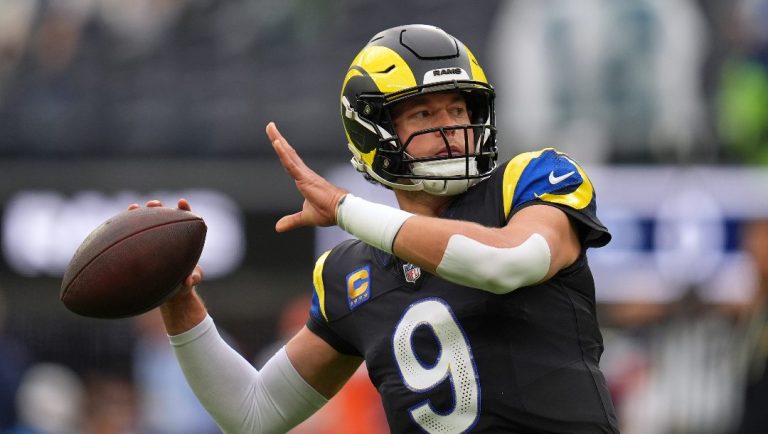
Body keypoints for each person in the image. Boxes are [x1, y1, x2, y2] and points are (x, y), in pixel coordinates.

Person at [133, 24, 619, 433]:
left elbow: (506, 261)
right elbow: (253, 412)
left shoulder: (527, 182)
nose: (451, 129)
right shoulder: (349, 274)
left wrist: (345, 209)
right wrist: (179, 307)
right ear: (373, 131)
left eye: (458, 108)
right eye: (425, 113)